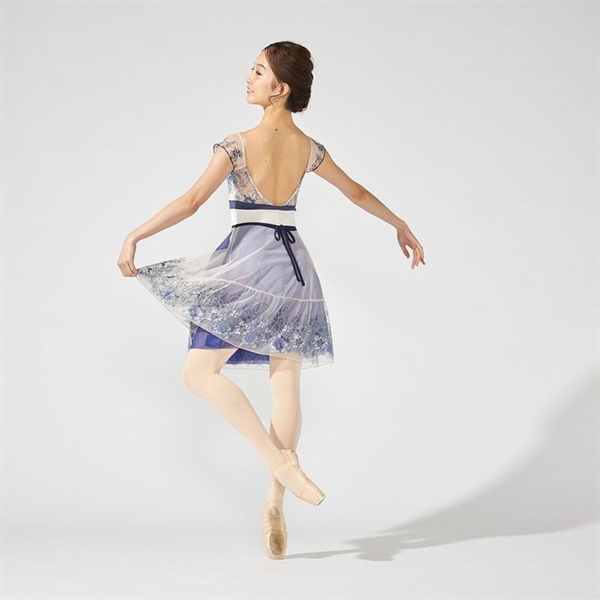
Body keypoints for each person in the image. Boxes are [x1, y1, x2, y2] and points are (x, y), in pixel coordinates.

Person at [117, 40, 425, 560]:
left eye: (257, 71)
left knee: (198, 374)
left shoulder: (237, 144)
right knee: (285, 383)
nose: (248, 77)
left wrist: (135, 235)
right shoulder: (309, 148)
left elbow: (191, 202)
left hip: (249, 265)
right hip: (295, 269)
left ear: (280, 88)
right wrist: (399, 223)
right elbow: (355, 192)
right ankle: (275, 500)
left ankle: (279, 463)